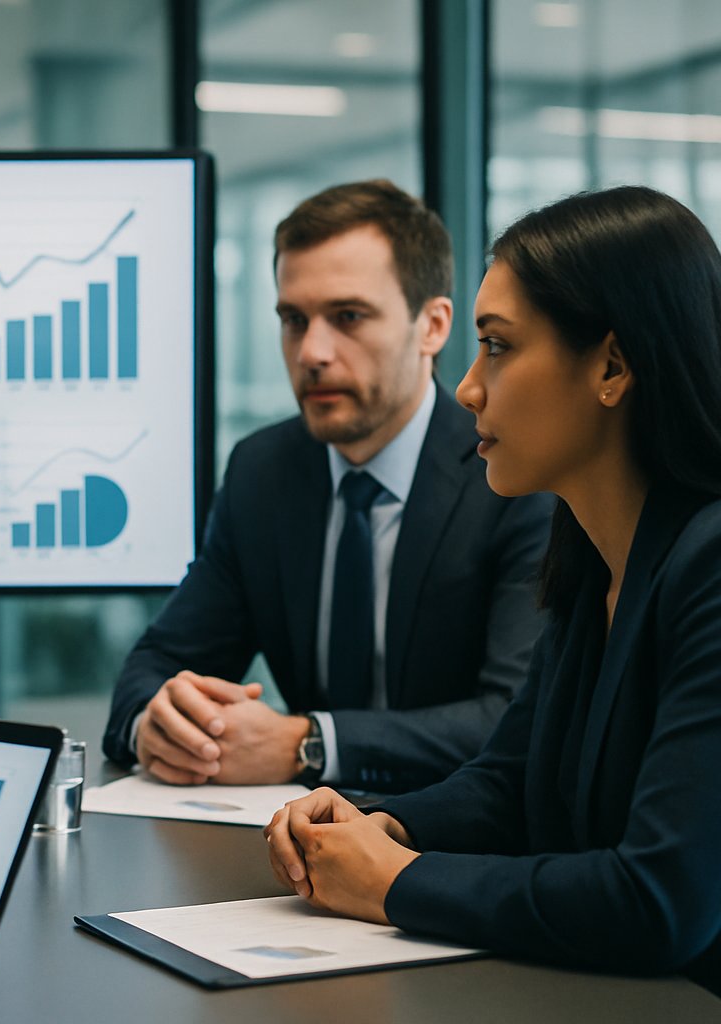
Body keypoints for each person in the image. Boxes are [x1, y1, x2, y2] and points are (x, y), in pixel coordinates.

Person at [265, 185, 721, 991]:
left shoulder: (710, 568)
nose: (469, 387)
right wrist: (377, 824)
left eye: (498, 347)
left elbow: (659, 900)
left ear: (612, 365)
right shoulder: (594, 554)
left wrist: (396, 882)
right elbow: (509, 783)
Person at [103, 180, 553, 793]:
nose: (311, 352)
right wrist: (157, 726)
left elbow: (515, 718)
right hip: (289, 835)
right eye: (294, 320)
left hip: (458, 832)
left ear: (432, 326)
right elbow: (156, 666)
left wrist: (308, 743)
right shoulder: (263, 472)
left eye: (348, 317)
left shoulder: (512, 475)